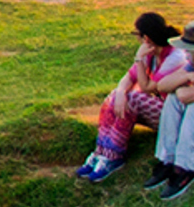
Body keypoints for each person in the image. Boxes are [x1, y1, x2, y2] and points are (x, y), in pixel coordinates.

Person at [76, 11, 189, 181]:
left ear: (146, 38)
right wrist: (121, 92)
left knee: (133, 99)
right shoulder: (151, 53)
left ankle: (114, 155)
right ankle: (101, 151)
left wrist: (139, 58)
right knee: (115, 96)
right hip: (161, 108)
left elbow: (148, 88)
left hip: (174, 116)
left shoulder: (174, 56)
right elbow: (129, 77)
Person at [142, 25, 194, 200]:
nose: (186, 54)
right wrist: (186, 78)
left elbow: (186, 96)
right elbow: (163, 85)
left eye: (190, 51)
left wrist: (181, 87)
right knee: (172, 99)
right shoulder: (190, 67)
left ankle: (185, 167)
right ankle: (167, 159)